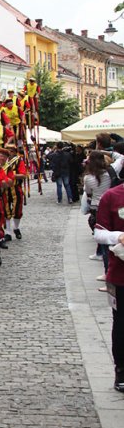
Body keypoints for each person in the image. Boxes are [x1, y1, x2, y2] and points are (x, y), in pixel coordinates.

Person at [93, 179, 124, 391]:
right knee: (121, 323)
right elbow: (99, 232)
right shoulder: (112, 196)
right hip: (120, 273)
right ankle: (121, 369)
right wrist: (119, 236)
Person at [85, 150, 114, 272]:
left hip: (97, 206)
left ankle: (107, 269)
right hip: (110, 205)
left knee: (103, 238)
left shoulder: (88, 178)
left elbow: (88, 193)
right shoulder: (109, 174)